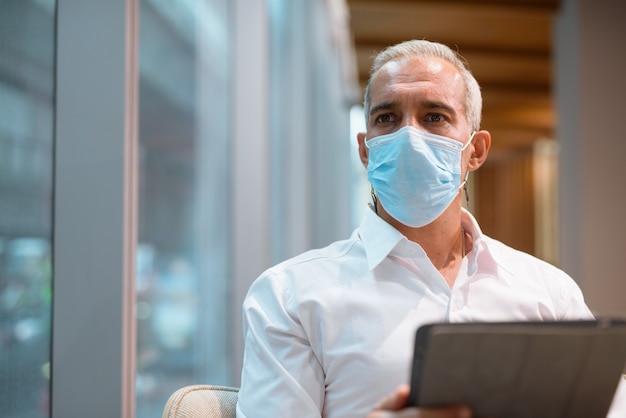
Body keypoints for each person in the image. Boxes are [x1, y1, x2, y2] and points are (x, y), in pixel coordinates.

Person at [235, 39, 626, 417]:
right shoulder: (291, 297)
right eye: (386, 118)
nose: (409, 135)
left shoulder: (549, 293)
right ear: (365, 150)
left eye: (434, 116)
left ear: (476, 151)